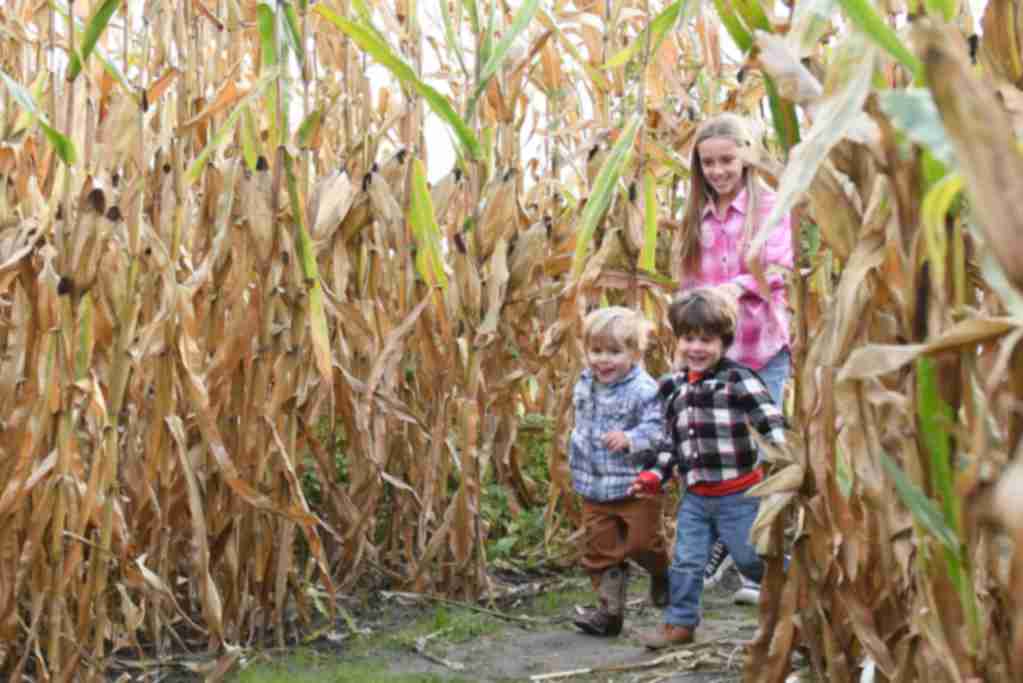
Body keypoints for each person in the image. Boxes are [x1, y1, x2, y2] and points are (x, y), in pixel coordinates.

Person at [674, 112, 794, 601]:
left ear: (747, 156)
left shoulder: (770, 205)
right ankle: (733, 550)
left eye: (727, 160)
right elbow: (687, 283)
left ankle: (762, 558)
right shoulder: (695, 216)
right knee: (718, 450)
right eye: (708, 163)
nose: (719, 171)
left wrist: (729, 289)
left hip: (763, 346)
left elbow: (780, 267)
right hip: (714, 354)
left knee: (765, 451)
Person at [629, 287, 787, 649]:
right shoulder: (672, 387)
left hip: (740, 494)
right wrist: (655, 474)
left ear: (725, 342)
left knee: (751, 558)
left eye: (707, 340)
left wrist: (787, 457)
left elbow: (771, 422)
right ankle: (680, 624)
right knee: (686, 561)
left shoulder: (738, 380)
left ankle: (797, 588)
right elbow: (672, 443)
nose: (696, 348)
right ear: (677, 340)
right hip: (696, 498)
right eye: (688, 339)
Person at [569, 306, 671, 637]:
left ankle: (662, 572)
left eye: (614, 351)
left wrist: (631, 438)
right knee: (600, 551)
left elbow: (659, 430)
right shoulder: (585, 383)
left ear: (635, 353)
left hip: (634, 486)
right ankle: (609, 614)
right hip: (594, 485)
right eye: (595, 351)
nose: (603, 360)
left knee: (643, 544)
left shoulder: (644, 389)